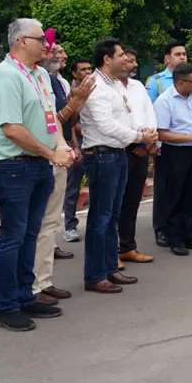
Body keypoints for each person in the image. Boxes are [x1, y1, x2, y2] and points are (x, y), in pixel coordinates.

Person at [0, 18, 75, 331]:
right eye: (41, 38)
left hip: (38, 164)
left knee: (30, 234)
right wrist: (51, 153)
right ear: (22, 41)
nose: (47, 44)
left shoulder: (39, 75)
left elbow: (53, 120)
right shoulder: (6, 76)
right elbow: (11, 128)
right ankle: (6, 306)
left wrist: (61, 147)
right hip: (14, 166)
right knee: (13, 236)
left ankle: (26, 295)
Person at [80, 38, 155, 294]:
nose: (125, 58)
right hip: (102, 156)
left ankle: (110, 266)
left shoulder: (115, 85)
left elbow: (125, 117)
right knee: (100, 218)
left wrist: (141, 131)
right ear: (106, 59)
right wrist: (139, 137)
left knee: (112, 216)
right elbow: (105, 125)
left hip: (117, 154)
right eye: (121, 54)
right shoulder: (96, 86)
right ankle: (94, 275)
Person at [31, 40, 94, 306]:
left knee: (48, 223)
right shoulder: (20, 78)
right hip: (37, 157)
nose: (60, 54)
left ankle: (43, 281)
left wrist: (67, 146)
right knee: (34, 226)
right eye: (54, 50)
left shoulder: (48, 79)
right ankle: (32, 286)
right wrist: (76, 103)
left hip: (57, 153)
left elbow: (57, 121)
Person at [154, 63, 192, 256]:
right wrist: (191, 137)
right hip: (174, 152)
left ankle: (188, 234)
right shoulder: (164, 101)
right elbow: (162, 134)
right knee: (174, 195)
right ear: (180, 82)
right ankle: (175, 238)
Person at [117, 47, 158, 265]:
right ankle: (111, 251)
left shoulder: (138, 87)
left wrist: (149, 142)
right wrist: (138, 139)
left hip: (142, 149)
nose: (132, 65)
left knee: (133, 200)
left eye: (133, 61)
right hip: (120, 149)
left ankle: (127, 246)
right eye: (128, 61)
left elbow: (149, 113)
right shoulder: (109, 87)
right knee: (115, 203)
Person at [62, 58, 93, 243]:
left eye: (89, 68)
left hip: (96, 142)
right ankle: (70, 226)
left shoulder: (96, 90)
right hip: (79, 140)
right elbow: (71, 122)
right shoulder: (71, 93)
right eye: (82, 70)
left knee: (96, 185)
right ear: (74, 73)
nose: (87, 72)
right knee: (73, 186)